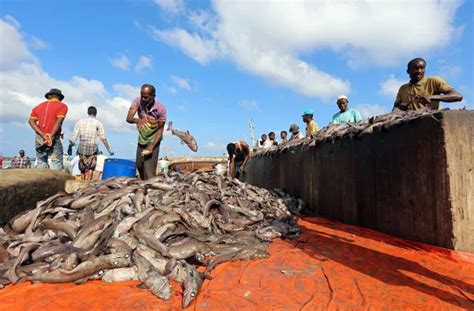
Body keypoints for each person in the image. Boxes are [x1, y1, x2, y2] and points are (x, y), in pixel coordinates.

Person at [126, 84, 166, 180]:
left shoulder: (161, 109)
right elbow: (128, 118)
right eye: (142, 95)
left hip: (154, 140)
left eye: (146, 97)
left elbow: (160, 130)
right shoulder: (137, 101)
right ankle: (145, 184)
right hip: (142, 138)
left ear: (153, 96)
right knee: (139, 164)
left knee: (149, 169)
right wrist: (136, 120)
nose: (143, 99)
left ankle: (151, 189)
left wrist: (151, 146)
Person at [393, 58, 463, 111]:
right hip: (411, 124)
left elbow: (457, 96)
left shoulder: (434, 81)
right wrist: (400, 108)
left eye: (422, 68)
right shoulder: (403, 88)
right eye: (416, 69)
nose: (419, 71)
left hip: (430, 122)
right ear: (408, 71)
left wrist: (431, 97)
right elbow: (394, 109)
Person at [69, 106, 114, 180]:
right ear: (96, 113)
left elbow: (74, 137)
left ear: (88, 112)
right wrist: (109, 150)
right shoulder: (98, 123)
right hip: (93, 150)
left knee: (82, 168)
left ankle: (83, 182)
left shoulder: (80, 122)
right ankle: (88, 184)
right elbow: (103, 138)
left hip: (81, 150)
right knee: (91, 168)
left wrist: (70, 147)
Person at [28, 88, 68, 170]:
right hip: (53, 137)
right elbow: (59, 122)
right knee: (56, 162)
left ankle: (40, 182)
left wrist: (43, 135)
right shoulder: (62, 106)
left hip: (40, 137)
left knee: (41, 162)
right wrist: (50, 136)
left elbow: (31, 121)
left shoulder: (39, 106)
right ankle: (56, 183)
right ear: (59, 97)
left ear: (49, 96)